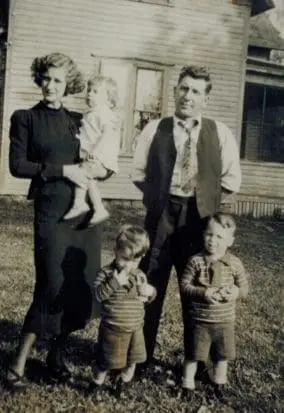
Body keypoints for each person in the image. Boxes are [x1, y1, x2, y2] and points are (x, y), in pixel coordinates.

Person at [6, 53, 111, 391]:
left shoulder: (80, 120)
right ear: (40, 80)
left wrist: (103, 169)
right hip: (52, 210)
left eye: (58, 81)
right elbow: (18, 165)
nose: (51, 86)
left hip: (83, 215)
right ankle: (17, 363)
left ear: (69, 86)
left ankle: (56, 356)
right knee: (50, 284)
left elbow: (100, 156)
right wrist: (63, 171)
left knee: (76, 285)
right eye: (47, 79)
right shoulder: (25, 118)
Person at [132, 65, 242, 365]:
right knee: (150, 279)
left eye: (195, 91)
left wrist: (203, 197)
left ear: (206, 98)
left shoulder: (219, 132)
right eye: (183, 88)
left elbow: (232, 180)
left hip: (199, 218)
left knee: (199, 286)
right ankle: (140, 358)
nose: (187, 96)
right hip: (162, 214)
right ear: (175, 91)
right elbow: (138, 173)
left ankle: (197, 362)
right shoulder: (155, 128)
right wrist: (161, 198)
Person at [180, 213, 249, 400]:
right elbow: (184, 286)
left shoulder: (235, 263)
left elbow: (244, 288)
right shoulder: (196, 261)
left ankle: (219, 384)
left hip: (225, 321)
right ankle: (187, 384)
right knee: (193, 354)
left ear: (230, 241)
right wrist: (203, 293)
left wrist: (235, 292)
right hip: (200, 320)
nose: (213, 240)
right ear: (203, 235)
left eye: (219, 237)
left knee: (222, 356)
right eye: (209, 234)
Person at [92, 225, 156, 391]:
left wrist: (149, 292)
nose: (129, 266)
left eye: (135, 261)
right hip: (113, 328)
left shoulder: (139, 274)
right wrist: (114, 283)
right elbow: (98, 295)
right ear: (115, 251)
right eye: (125, 259)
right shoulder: (106, 273)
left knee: (132, 360)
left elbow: (144, 299)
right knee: (105, 361)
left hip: (135, 328)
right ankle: (97, 384)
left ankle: (124, 383)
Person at [63, 75, 121, 225]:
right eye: (89, 90)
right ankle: (99, 209)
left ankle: (79, 203)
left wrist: (95, 151)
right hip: (98, 161)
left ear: (108, 99)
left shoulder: (104, 112)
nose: (89, 94)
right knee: (90, 181)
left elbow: (107, 132)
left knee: (81, 172)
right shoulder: (92, 113)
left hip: (102, 160)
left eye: (95, 92)